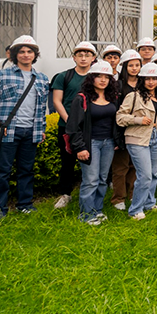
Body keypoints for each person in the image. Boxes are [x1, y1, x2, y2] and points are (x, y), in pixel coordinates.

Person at [0, 35, 50, 221]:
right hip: (7, 132)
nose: (26, 55)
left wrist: (41, 129)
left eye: (30, 52)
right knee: (2, 172)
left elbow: (41, 108)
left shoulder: (42, 79)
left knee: (26, 170)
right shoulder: (1, 76)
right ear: (14, 54)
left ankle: (25, 205)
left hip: (31, 132)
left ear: (35, 55)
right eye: (22, 51)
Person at [65, 61, 121, 224]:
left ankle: (97, 210)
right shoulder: (81, 98)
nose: (103, 80)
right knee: (90, 180)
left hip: (108, 143)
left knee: (102, 179)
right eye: (99, 76)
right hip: (91, 144)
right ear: (91, 78)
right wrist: (80, 147)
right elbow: (73, 126)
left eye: (107, 77)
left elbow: (115, 121)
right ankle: (86, 215)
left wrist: (116, 140)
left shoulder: (112, 97)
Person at [116, 62, 157, 220]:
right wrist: (138, 120)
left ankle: (149, 202)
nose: (151, 82)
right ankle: (135, 209)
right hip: (138, 138)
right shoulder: (133, 96)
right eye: (147, 78)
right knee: (145, 175)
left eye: (154, 79)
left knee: (153, 174)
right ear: (142, 80)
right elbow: (120, 117)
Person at [50, 41, 96, 210]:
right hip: (66, 126)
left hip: (90, 128)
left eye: (87, 55)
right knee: (67, 162)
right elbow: (57, 101)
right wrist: (71, 121)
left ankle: (91, 193)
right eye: (80, 55)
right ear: (74, 57)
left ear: (93, 58)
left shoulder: (97, 77)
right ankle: (65, 194)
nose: (83, 58)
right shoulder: (64, 76)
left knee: (91, 161)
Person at [111, 49, 142, 211]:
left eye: (137, 65)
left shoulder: (144, 84)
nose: (134, 68)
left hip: (139, 130)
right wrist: (116, 135)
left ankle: (131, 195)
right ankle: (118, 198)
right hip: (122, 129)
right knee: (120, 166)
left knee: (134, 165)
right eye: (131, 65)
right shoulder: (118, 86)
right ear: (124, 67)